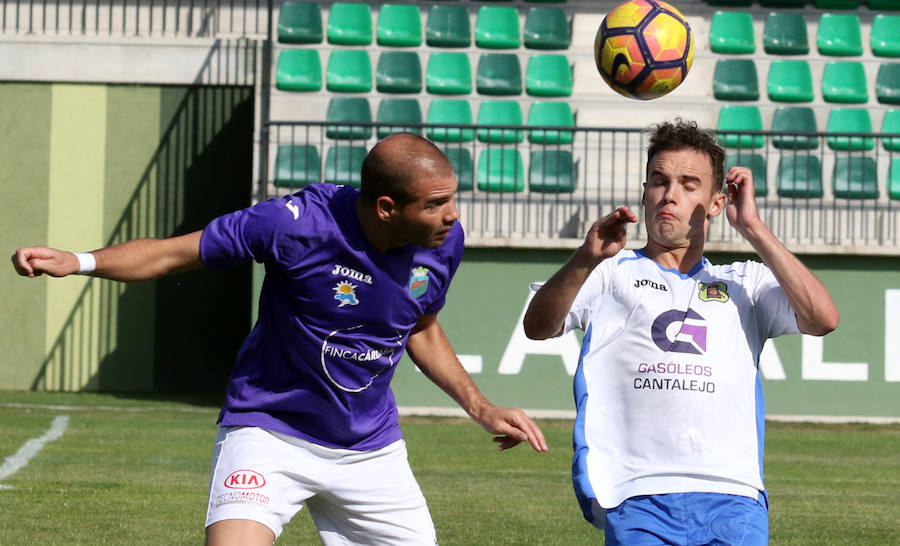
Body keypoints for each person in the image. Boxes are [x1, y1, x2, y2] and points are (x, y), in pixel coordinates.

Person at [12, 132, 548, 546]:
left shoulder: (443, 240)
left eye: (452, 200)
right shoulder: (294, 224)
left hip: (369, 449)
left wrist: (480, 406)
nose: (452, 215)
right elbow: (175, 253)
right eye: (435, 204)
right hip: (270, 430)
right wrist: (79, 261)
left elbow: (422, 325)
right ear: (386, 208)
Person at [523, 119, 839, 545]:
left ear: (715, 203)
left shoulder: (744, 281)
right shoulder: (607, 272)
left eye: (689, 184)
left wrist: (753, 228)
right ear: (644, 193)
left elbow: (823, 318)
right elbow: (537, 327)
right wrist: (584, 258)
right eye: (659, 181)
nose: (669, 195)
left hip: (734, 495)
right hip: (638, 493)